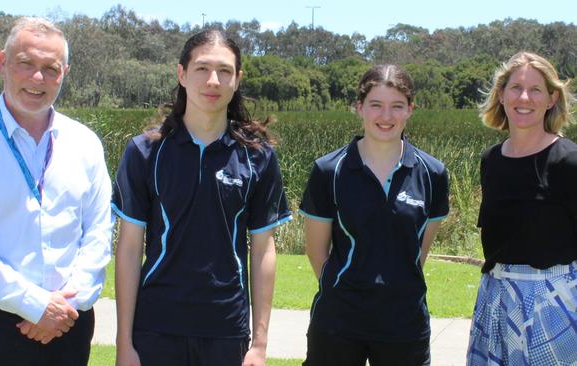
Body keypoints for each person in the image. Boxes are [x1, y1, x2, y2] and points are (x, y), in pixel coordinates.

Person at [0, 17, 113, 365]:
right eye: (25, 64)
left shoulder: (85, 143)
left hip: (68, 324)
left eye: (50, 68)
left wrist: (64, 307)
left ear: (65, 72)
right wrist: (35, 304)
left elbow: (99, 233)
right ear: (2, 62)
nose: (37, 78)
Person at [112, 29, 292, 366]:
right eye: (202, 69)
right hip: (156, 326)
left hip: (226, 329)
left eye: (225, 71)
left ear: (237, 80)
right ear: (181, 74)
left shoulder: (257, 157)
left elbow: (264, 248)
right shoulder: (144, 151)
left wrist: (260, 345)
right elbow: (130, 247)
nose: (213, 81)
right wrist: (124, 343)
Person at [299, 64, 449, 366]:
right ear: (359, 108)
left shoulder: (433, 173)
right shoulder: (328, 170)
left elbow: (418, 252)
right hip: (338, 321)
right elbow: (317, 252)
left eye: (397, 106)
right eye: (375, 105)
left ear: (410, 110)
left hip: (404, 322)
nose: (386, 116)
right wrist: (345, 291)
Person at [466, 52, 577, 364]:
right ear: (501, 95)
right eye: (515, 88)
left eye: (536, 89)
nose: (524, 97)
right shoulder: (491, 160)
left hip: (555, 307)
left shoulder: (569, 161)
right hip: (495, 301)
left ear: (552, 98)